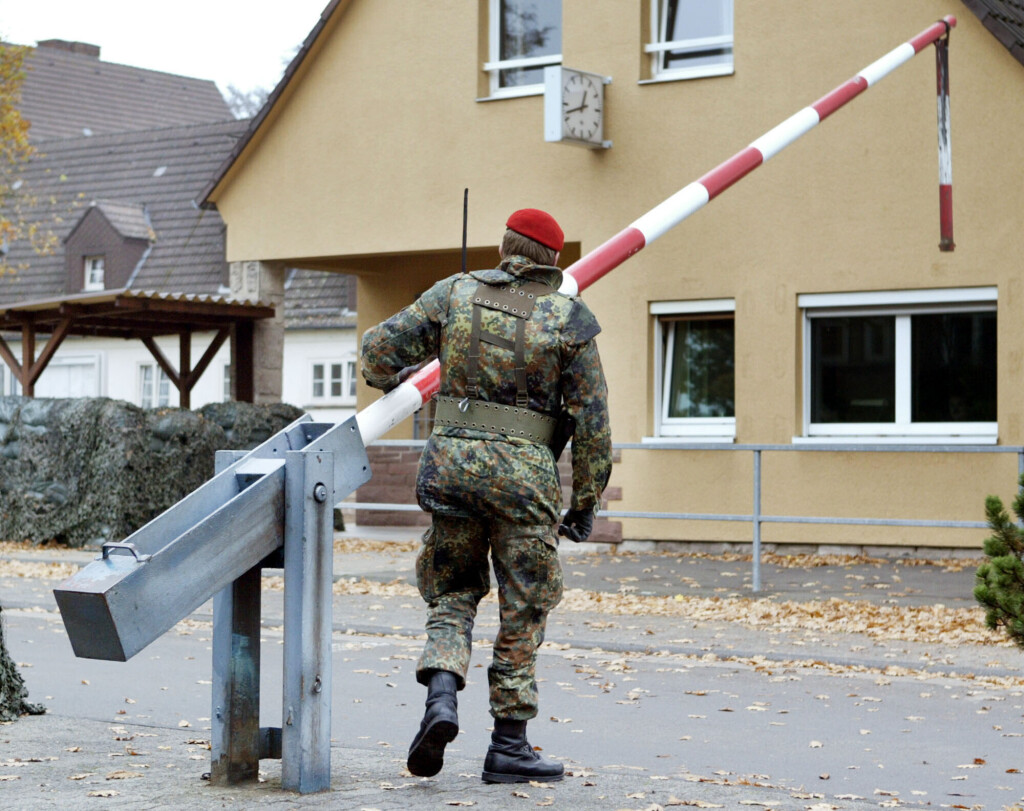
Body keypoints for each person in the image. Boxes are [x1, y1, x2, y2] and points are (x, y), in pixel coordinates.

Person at [360, 208, 612, 784]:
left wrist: (397, 386)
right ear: (551, 261)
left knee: (451, 593)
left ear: (504, 249)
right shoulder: (568, 318)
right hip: (525, 486)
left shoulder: (454, 293)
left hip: (450, 471)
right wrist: (585, 503)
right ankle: (509, 746)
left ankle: (441, 699)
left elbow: (378, 351)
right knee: (522, 607)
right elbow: (593, 425)